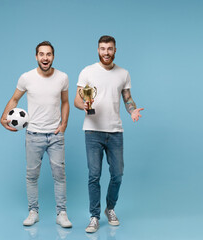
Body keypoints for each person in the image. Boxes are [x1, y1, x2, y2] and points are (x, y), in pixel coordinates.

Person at [74, 35, 144, 233]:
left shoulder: (123, 73)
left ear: (115, 50)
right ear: (98, 50)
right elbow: (77, 100)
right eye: (103, 48)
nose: (106, 52)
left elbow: (127, 98)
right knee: (94, 175)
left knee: (118, 174)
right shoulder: (87, 71)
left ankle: (110, 208)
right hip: (93, 130)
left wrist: (132, 110)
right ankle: (94, 216)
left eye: (110, 48)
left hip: (115, 131)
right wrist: (84, 105)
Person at [0, 41, 72, 228]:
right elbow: (15, 99)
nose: (45, 58)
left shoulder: (62, 77)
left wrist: (63, 124)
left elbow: (65, 102)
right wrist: (3, 117)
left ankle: (61, 213)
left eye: (48, 54)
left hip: (55, 136)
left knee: (60, 175)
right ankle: (33, 212)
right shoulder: (26, 78)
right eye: (41, 54)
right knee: (32, 176)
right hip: (33, 135)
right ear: (36, 56)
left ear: (53, 56)